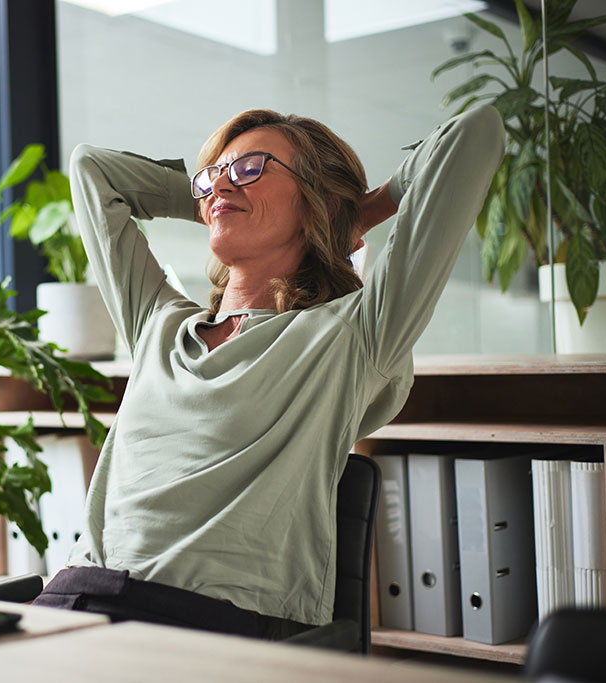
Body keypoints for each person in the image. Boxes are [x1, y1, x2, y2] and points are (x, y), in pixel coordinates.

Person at [32, 105, 505, 640]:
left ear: (317, 201)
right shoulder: (158, 325)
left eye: (251, 168)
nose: (221, 186)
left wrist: (356, 212)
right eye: (214, 175)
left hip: (199, 626)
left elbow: (476, 132)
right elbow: (92, 169)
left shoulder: (350, 335)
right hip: (72, 598)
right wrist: (218, 203)